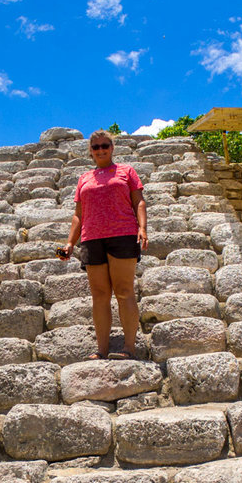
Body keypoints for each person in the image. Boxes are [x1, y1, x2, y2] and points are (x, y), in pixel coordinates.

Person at [62, 130, 148, 359]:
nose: (101, 149)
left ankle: (129, 348)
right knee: (99, 295)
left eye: (105, 145)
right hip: (91, 238)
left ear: (112, 148)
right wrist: (70, 242)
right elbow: (78, 214)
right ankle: (101, 350)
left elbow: (138, 201)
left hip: (122, 234)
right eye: (96, 146)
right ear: (90, 151)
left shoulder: (126, 171)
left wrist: (143, 228)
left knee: (124, 291)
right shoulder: (84, 178)